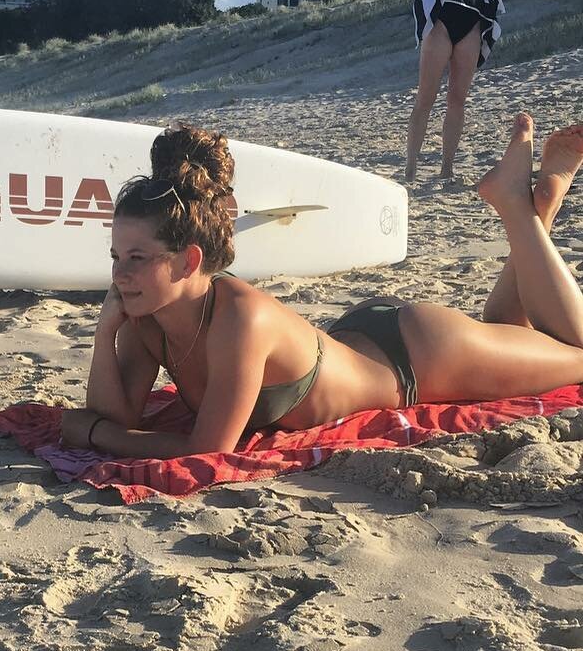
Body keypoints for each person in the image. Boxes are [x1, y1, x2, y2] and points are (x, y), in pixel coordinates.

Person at [60, 116, 583, 460]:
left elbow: (207, 451)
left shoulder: (240, 317)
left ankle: (514, 207)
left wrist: (96, 435)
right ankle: (540, 205)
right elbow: (117, 415)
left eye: (137, 259)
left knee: (578, 352)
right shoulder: (147, 316)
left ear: (188, 261)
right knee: (510, 332)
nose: (120, 275)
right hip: (359, 338)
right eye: (116, 258)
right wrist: (106, 335)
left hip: (421, 359)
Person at [406, 0, 504, 182]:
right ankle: (410, 169)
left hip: (472, 18)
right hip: (441, 17)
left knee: (457, 100)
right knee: (426, 98)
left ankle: (446, 169)